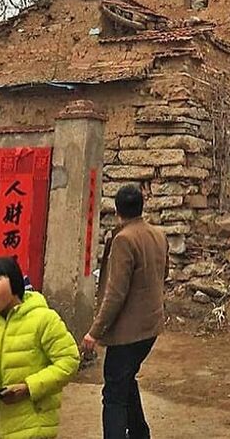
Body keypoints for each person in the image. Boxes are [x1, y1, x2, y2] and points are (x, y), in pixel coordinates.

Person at [83, 184, 168, 439]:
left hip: (126, 334)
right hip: (150, 327)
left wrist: (94, 332)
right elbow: (164, 274)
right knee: (126, 380)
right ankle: (140, 433)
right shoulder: (158, 234)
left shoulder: (123, 240)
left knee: (113, 396)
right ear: (141, 206)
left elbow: (116, 293)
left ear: (117, 210)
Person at [0, 256, 80, 439]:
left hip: (33, 428)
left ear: (15, 281)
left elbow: (69, 361)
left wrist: (28, 388)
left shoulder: (44, 319)